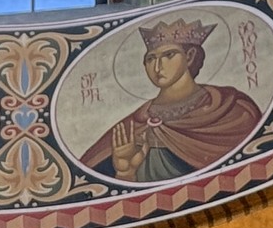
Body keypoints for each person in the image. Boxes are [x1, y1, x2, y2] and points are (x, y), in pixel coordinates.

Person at [81, 16, 261, 182]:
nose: (157, 67)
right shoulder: (134, 125)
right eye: (150, 59)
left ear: (189, 56)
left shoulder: (232, 110)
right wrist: (125, 172)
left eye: (169, 55)